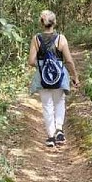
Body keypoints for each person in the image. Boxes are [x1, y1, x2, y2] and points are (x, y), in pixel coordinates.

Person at [28, 10, 80, 147]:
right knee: (59, 102)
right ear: (54, 22)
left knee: (47, 106)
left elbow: (31, 61)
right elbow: (68, 60)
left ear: (41, 23)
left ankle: (50, 137)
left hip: (43, 77)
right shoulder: (61, 38)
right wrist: (75, 76)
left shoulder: (36, 39)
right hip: (60, 76)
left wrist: (43, 65)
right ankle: (59, 130)